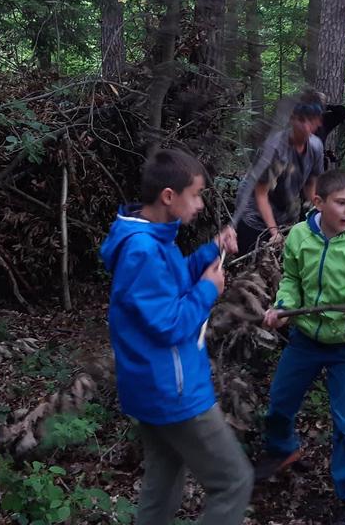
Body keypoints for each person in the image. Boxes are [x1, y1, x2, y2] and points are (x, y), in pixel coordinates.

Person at [101, 149, 253, 525]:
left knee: (163, 485)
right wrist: (208, 290)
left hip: (154, 386)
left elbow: (169, 285)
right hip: (174, 390)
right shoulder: (142, 250)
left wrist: (212, 250)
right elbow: (169, 323)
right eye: (196, 195)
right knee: (234, 482)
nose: (200, 205)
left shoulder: (151, 240)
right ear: (169, 196)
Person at [255, 168, 345, 525]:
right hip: (306, 338)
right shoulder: (299, 236)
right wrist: (283, 307)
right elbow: (292, 279)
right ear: (318, 202)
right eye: (341, 203)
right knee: (280, 401)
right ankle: (282, 450)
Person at [235, 92, 325, 254]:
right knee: (251, 259)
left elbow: (311, 183)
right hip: (253, 214)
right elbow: (260, 194)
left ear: (318, 121)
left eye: (311, 120)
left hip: (284, 213)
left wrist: (319, 211)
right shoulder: (274, 148)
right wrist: (274, 231)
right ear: (292, 119)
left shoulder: (316, 147)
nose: (305, 127)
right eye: (301, 120)